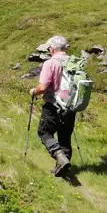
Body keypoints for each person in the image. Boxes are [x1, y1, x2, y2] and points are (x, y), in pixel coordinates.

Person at [30, 35, 75, 177]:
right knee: (65, 137)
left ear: (51, 49)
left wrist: (34, 91)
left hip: (53, 105)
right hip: (70, 106)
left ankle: (59, 156)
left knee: (44, 132)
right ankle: (62, 171)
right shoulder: (74, 62)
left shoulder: (51, 63)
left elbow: (42, 88)